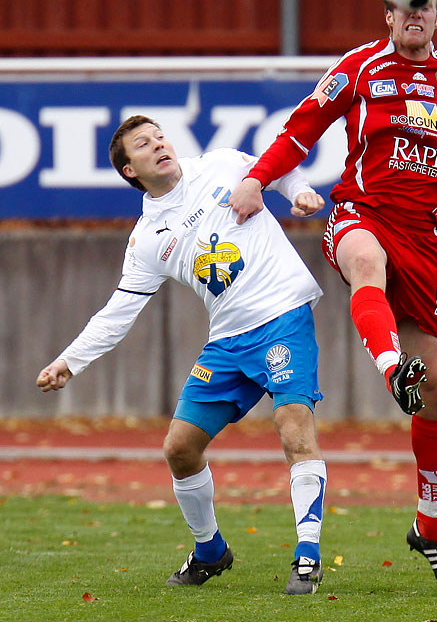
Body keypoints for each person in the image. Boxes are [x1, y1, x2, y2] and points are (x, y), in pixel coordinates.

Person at [228, 0, 437, 588]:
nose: (414, 15)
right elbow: (301, 129)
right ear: (389, 12)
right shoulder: (359, 67)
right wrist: (257, 180)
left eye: (424, 6)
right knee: (365, 267)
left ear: (436, 15)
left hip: (426, 242)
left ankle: (429, 530)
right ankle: (388, 368)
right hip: (361, 214)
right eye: (404, 6)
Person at [36, 115, 329, 595]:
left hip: (282, 316)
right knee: (179, 448)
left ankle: (308, 556)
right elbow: (118, 312)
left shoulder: (220, 165)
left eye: (159, 137)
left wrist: (299, 191)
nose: (158, 146)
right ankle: (210, 550)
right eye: (143, 145)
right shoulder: (147, 239)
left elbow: (278, 168)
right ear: (130, 170)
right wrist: (69, 361)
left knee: (293, 422)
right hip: (228, 340)